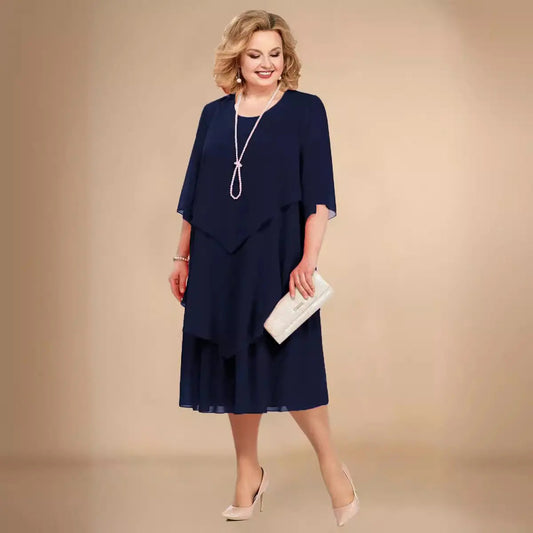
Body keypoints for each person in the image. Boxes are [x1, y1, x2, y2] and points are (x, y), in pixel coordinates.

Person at [168, 9, 359, 527]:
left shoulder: (305, 110)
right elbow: (193, 191)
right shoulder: (214, 115)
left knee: (291, 361)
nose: (266, 63)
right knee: (234, 361)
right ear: (237, 57)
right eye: (255, 54)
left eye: (275, 54)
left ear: (285, 58)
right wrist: (182, 256)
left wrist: (308, 260)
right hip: (217, 256)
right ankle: (247, 474)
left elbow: (319, 195)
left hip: (276, 257)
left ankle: (331, 466)